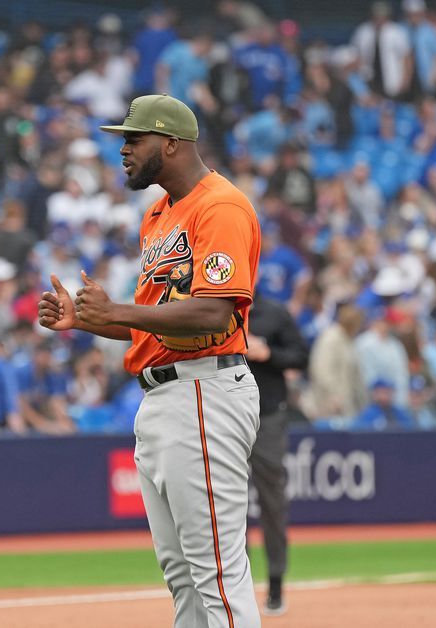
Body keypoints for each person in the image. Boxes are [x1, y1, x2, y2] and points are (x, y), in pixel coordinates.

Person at [40, 94, 263, 627]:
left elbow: (212, 312)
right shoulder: (159, 214)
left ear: (171, 143)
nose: (123, 149)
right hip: (164, 395)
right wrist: (87, 319)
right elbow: (149, 319)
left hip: (205, 393)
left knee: (216, 572)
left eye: (133, 139)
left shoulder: (220, 206)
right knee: (182, 575)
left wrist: (118, 308)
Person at [245, 294, 309, 616]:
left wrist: (268, 352)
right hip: (222, 416)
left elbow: (301, 356)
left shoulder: (274, 312)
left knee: (272, 501)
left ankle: (275, 585)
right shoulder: (212, 308)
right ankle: (233, 588)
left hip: (267, 414)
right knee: (227, 507)